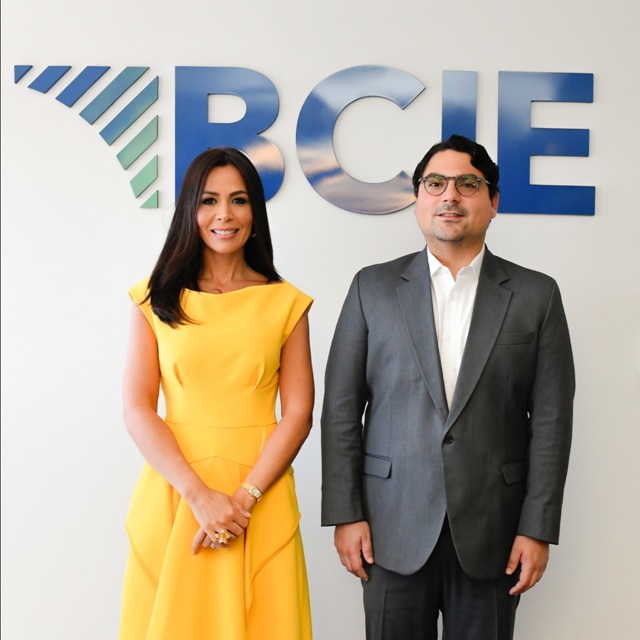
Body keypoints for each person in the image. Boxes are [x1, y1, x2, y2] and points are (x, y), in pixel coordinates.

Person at [320, 134, 575, 640]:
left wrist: (537, 527)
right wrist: (345, 514)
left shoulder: (536, 295)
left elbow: (551, 422)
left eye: (467, 184)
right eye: (435, 183)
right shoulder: (372, 288)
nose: (450, 196)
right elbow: (341, 411)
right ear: (418, 197)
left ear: (493, 201)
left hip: (495, 532)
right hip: (388, 530)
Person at [119, 147, 314, 639]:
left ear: (255, 213)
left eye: (238, 200)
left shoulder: (286, 302)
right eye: (209, 200)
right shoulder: (153, 298)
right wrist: (198, 496)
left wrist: (243, 501)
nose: (224, 214)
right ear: (190, 210)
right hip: (175, 490)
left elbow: (299, 413)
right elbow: (138, 409)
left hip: (261, 493)